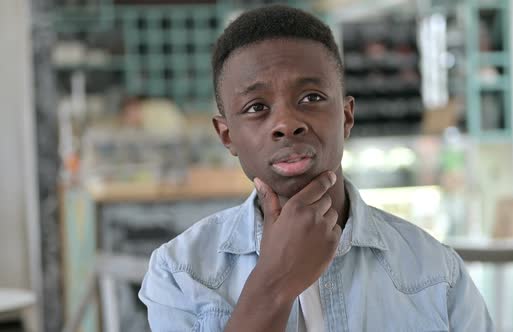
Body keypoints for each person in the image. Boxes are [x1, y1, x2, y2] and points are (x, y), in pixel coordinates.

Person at [139, 5, 493, 331]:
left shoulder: (435, 272)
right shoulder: (180, 272)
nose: (286, 123)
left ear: (346, 116)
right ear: (227, 135)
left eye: (311, 98)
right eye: (256, 106)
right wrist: (274, 282)